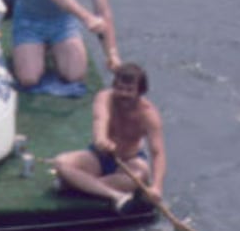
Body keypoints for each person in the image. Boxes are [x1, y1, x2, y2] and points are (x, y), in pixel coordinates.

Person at [51, 63, 166, 213]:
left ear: (140, 92)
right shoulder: (105, 97)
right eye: (119, 88)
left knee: (140, 174)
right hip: (99, 157)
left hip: (127, 163)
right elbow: (100, 119)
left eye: (129, 90)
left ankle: (78, 183)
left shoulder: (149, 115)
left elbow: (158, 153)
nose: (123, 94)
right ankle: (116, 195)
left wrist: (156, 187)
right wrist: (101, 139)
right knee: (60, 162)